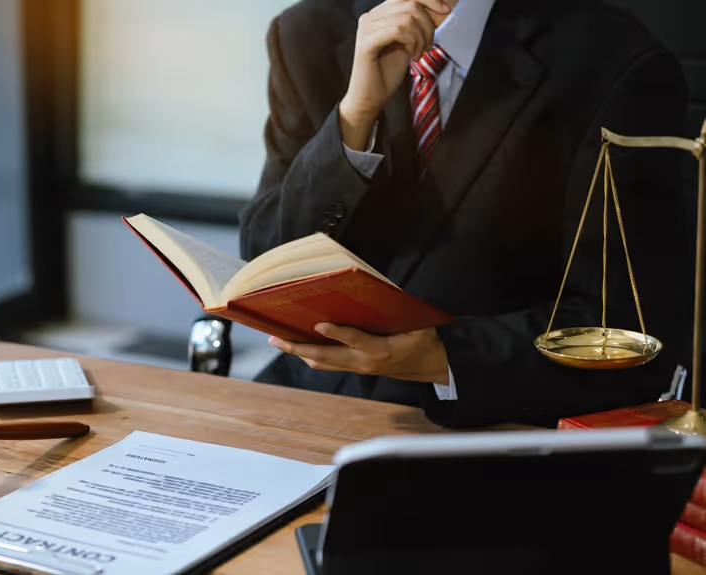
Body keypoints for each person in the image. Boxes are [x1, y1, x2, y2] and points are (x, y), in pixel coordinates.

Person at [240, 0, 692, 428]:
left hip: (487, 422)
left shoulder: (615, 63)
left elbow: (622, 328)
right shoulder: (307, 32)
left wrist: (441, 357)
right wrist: (352, 122)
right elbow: (268, 260)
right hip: (306, 397)